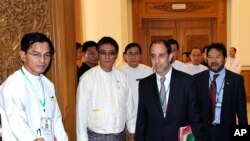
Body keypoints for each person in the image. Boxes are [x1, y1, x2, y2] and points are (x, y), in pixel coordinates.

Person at [0, 32, 68, 141]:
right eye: (36, 54)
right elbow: (16, 122)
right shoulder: (13, 85)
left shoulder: (48, 84)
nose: (42, 60)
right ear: (23, 55)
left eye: (46, 55)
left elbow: (56, 119)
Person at [135, 39, 206, 141]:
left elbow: (195, 118)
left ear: (170, 56)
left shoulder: (187, 82)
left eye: (161, 55)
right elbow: (141, 120)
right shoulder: (144, 84)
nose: (157, 60)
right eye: (153, 56)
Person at [76, 36, 136, 141]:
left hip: (119, 135)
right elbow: (81, 111)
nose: (107, 57)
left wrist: (132, 131)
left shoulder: (122, 77)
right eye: (103, 53)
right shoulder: (87, 78)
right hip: (95, 136)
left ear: (116, 55)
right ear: (98, 55)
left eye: (111, 53)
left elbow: (129, 106)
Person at [193, 43, 248, 141]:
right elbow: (193, 109)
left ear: (225, 58)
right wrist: (197, 131)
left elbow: (242, 113)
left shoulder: (236, 80)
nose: (213, 61)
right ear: (206, 59)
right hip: (203, 133)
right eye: (210, 57)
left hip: (227, 132)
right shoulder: (197, 79)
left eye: (218, 57)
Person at [119, 42, 153, 119]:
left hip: (144, 114)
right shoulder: (119, 72)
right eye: (130, 54)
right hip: (125, 115)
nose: (133, 57)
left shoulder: (149, 71)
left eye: (136, 53)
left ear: (140, 56)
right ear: (125, 56)